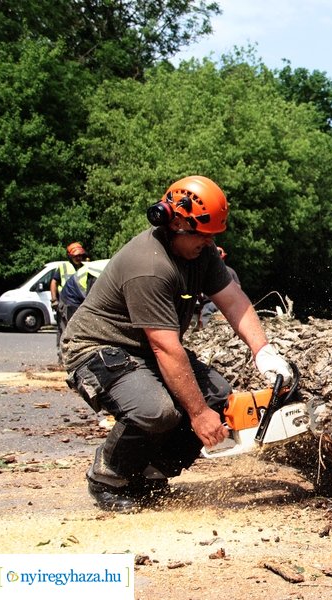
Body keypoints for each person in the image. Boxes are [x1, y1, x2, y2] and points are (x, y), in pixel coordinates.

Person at [61, 175, 293, 513]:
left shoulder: (203, 252)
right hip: (99, 348)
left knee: (218, 397)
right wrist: (198, 415)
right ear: (174, 221)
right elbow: (165, 348)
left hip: (143, 349)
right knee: (156, 411)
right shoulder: (149, 266)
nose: (207, 241)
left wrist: (263, 350)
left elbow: (232, 299)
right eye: (200, 234)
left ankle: (150, 475)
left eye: (211, 235)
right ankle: (108, 476)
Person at [50, 242, 89, 362]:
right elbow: (54, 282)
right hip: (65, 303)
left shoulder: (85, 267)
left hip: (80, 302)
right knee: (64, 330)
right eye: (75, 256)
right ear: (70, 256)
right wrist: (54, 299)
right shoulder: (63, 267)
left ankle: (77, 357)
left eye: (80, 255)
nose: (78, 258)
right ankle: (62, 358)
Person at [58, 258, 110, 331]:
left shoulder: (109, 267)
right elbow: (93, 300)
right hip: (71, 298)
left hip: (76, 295)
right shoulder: (96, 274)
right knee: (75, 330)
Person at [195, 246, 240, 329]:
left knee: (204, 325)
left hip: (209, 304)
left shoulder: (205, 272)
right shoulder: (231, 271)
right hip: (228, 303)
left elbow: (198, 291)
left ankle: (203, 330)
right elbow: (238, 289)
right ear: (224, 257)